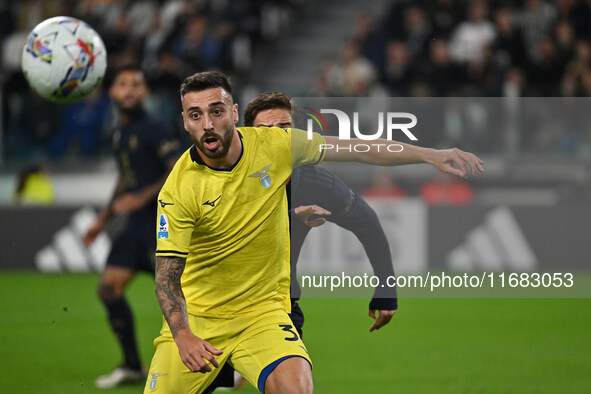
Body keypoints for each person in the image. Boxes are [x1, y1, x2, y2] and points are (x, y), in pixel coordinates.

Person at [146, 71, 483, 394]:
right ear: (185, 121)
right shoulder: (178, 189)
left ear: (233, 113)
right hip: (201, 317)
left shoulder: (275, 145)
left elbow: (359, 148)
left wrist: (429, 155)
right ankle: (226, 375)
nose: (207, 124)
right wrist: (182, 334)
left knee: (297, 388)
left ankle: (233, 374)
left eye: (216, 112)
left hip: (262, 313)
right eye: (195, 115)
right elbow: (166, 277)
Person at [83, 65, 182, 389]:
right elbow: (125, 177)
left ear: (145, 93)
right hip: (134, 228)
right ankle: (132, 365)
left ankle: (217, 366)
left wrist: (140, 198)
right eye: (122, 84)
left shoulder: (154, 127)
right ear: (112, 92)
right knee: (108, 288)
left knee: (181, 301)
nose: (128, 90)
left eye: (135, 85)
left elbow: (175, 170)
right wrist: (103, 219)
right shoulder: (118, 131)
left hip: (162, 226)